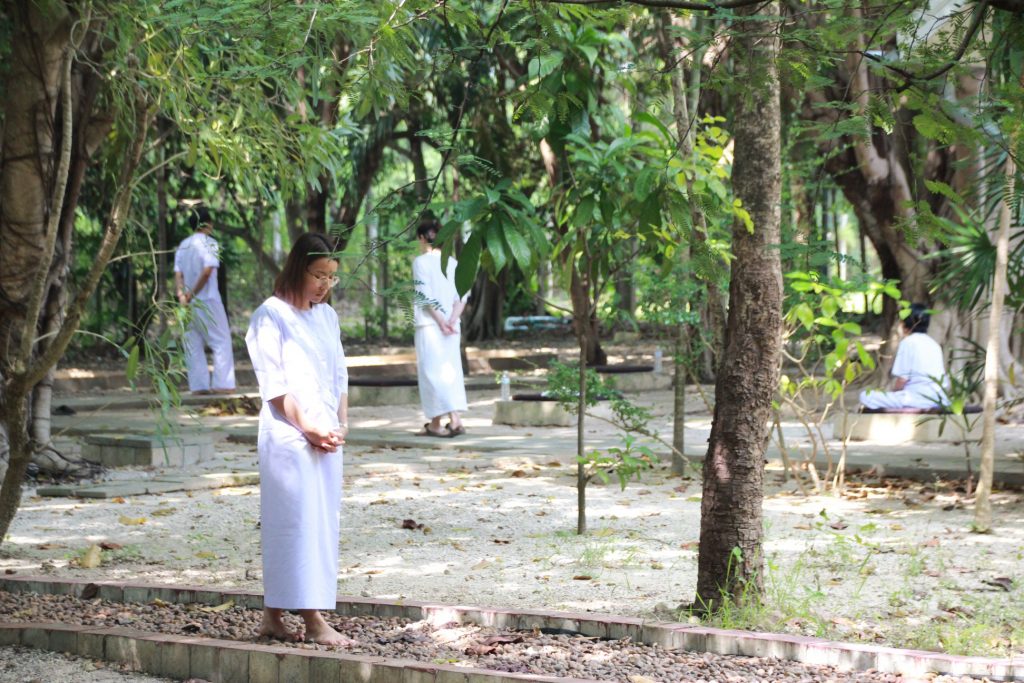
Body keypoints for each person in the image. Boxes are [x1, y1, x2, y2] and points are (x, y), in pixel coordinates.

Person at [244, 232, 351, 645]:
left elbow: (339, 374)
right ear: (297, 269)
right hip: (289, 436)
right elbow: (274, 386)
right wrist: (308, 427)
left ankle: (272, 616)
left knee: (319, 523)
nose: (325, 285)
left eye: (331, 277)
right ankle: (313, 620)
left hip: (326, 433)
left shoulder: (327, 317)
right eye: (318, 275)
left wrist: (340, 423)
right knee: (292, 523)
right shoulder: (269, 316)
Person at [412, 218, 469, 437]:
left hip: (430, 326)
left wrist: (441, 322)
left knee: (431, 373)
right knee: (450, 372)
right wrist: (452, 320)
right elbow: (462, 295)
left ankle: (437, 424)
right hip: (452, 327)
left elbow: (425, 296)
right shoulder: (453, 263)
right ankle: (454, 420)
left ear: (421, 238)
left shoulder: (421, 262)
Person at [174, 206, 236, 394]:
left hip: (187, 303)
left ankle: (198, 386)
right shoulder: (210, 243)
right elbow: (208, 271)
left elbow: (178, 273)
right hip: (208, 299)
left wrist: (182, 295)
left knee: (193, 344)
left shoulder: (183, 245)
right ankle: (223, 384)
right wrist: (192, 293)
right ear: (208, 224)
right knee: (221, 340)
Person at [860, 303, 951, 411]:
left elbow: (902, 380)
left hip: (915, 399)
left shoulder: (908, 342)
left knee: (865, 396)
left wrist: (894, 393)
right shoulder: (934, 344)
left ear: (903, 324)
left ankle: (906, 409)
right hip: (940, 399)